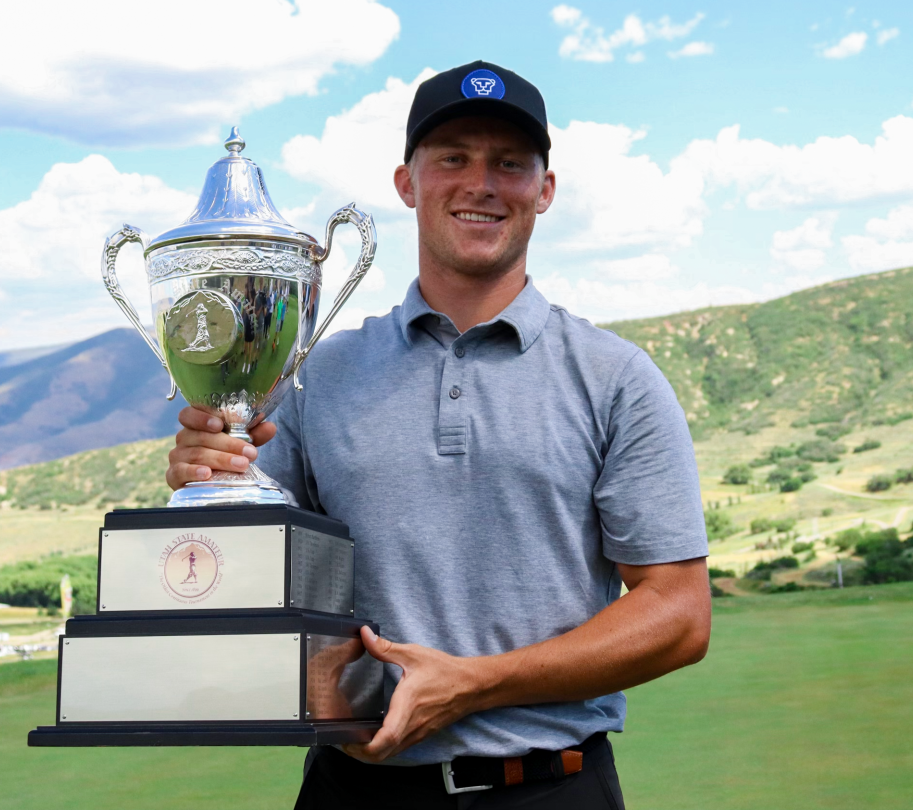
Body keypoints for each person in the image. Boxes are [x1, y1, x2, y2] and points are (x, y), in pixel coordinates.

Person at [166, 61, 710, 809]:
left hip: (550, 791)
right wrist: (210, 476)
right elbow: (249, 575)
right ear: (406, 183)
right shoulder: (313, 376)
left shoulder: (616, 377)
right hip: (353, 791)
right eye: (453, 157)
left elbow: (679, 614)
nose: (481, 183)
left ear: (544, 190)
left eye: (509, 163)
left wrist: (473, 685)